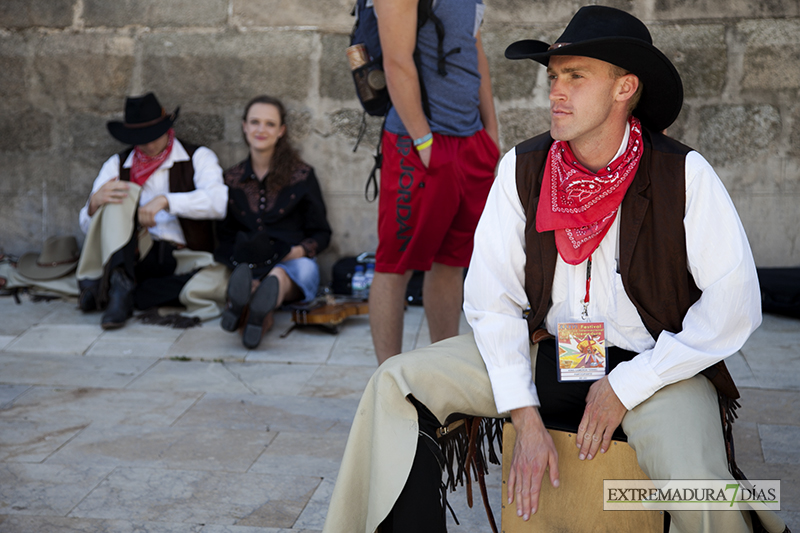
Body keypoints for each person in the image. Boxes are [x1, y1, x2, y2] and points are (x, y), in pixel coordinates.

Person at [322, 6, 788, 533]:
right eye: (553, 77)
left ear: (624, 88)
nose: (556, 92)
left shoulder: (684, 174)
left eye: (576, 76)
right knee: (397, 383)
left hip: (652, 367)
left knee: (699, 485)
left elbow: (736, 304)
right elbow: (490, 298)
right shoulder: (522, 167)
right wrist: (522, 410)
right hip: (554, 351)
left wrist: (630, 384)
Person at [369, 0, 500, 364]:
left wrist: (490, 131)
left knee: (451, 261)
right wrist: (424, 142)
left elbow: (475, 48)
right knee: (394, 263)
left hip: (470, 141)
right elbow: (396, 61)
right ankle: (389, 384)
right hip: (419, 143)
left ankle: (441, 376)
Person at [77, 92, 228, 329]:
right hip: (134, 256)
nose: (147, 144)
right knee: (117, 195)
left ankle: (124, 293)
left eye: (153, 136)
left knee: (220, 276)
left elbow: (218, 203)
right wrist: (94, 205)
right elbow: (89, 231)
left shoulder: (198, 157)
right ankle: (121, 282)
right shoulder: (117, 164)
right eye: (140, 138)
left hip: (181, 257)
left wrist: (166, 201)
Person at [215, 95, 332, 349]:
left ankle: (249, 305)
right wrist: (242, 265)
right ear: (244, 126)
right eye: (255, 122)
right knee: (245, 276)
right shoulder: (231, 179)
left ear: (281, 131)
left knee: (289, 272)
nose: (261, 130)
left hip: (291, 262)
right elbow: (224, 235)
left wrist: (295, 252)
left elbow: (322, 233)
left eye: (269, 124)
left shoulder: (302, 176)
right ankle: (251, 303)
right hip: (247, 263)